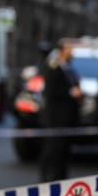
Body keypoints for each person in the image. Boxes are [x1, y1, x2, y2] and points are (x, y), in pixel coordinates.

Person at [39, 40, 83, 182]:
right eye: (70, 50)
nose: (72, 53)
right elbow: (50, 91)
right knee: (53, 149)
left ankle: (60, 179)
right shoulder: (54, 68)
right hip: (56, 118)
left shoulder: (69, 70)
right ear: (62, 51)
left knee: (63, 151)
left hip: (67, 118)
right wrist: (71, 93)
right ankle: (47, 178)